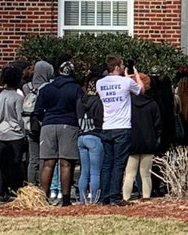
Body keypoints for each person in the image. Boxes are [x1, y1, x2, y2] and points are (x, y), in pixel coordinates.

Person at [34, 61, 84, 206]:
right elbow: (80, 109)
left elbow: (37, 111)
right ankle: (66, 200)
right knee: (66, 163)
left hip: (48, 125)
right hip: (69, 125)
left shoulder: (46, 89)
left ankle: (43, 198)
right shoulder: (76, 89)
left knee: (48, 163)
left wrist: (46, 120)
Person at [96, 55, 144, 206]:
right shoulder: (126, 82)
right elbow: (141, 90)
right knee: (118, 164)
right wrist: (135, 73)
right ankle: (115, 196)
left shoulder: (99, 83)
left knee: (106, 163)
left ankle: (104, 196)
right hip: (122, 127)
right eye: (122, 65)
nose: (123, 67)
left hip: (107, 126)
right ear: (117, 67)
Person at [123, 74, 161, 202]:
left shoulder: (127, 103)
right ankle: (146, 197)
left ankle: (126, 197)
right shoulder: (152, 104)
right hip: (148, 142)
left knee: (129, 174)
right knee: (146, 174)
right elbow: (158, 125)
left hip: (132, 141)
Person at [0, 66, 26, 202]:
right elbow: (20, 118)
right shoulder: (17, 97)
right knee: (15, 164)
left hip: (1, 132)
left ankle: (0, 191)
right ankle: (14, 190)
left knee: (1, 164)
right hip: (15, 134)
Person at [22, 60, 53, 186]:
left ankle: (30, 186)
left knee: (32, 158)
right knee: (43, 158)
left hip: (29, 124)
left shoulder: (26, 87)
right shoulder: (48, 88)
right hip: (43, 124)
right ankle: (42, 185)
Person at [76, 69, 104, 204]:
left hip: (81, 136)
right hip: (94, 136)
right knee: (95, 172)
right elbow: (100, 120)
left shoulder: (80, 100)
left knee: (84, 172)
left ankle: (82, 199)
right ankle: (94, 199)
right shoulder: (98, 102)